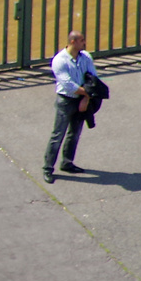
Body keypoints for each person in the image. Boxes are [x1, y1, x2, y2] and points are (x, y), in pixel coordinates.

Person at [43, 30, 99, 183]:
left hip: (81, 99)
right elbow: (67, 85)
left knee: (74, 133)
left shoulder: (86, 57)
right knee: (58, 135)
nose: (84, 43)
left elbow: (93, 78)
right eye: (82, 40)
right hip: (66, 101)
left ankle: (67, 163)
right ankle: (48, 168)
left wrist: (86, 98)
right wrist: (85, 94)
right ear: (73, 42)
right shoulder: (59, 60)